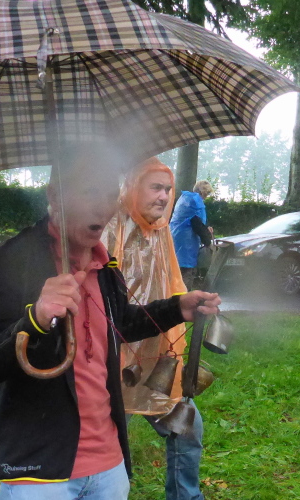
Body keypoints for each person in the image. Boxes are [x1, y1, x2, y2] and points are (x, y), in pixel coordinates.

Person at [0, 149, 221, 500]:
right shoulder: (14, 260)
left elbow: (119, 324)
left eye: (110, 194)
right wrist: (35, 320)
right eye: (89, 192)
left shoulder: (105, 266)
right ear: (55, 196)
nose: (103, 207)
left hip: (108, 467)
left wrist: (177, 308)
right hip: (41, 475)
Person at [102, 157, 204, 500]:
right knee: (109, 443)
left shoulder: (161, 230)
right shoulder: (110, 226)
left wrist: (186, 311)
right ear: (133, 187)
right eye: (155, 187)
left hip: (154, 353)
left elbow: (172, 284)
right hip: (112, 357)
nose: (163, 196)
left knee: (187, 427)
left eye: (168, 189)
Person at [170, 180, 214, 289]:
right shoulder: (195, 201)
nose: (206, 197)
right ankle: (183, 296)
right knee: (186, 272)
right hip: (186, 243)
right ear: (202, 192)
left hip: (174, 236)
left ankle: (172, 295)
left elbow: (193, 219)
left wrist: (206, 227)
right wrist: (208, 242)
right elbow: (197, 224)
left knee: (174, 271)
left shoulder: (184, 198)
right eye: (206, 193)